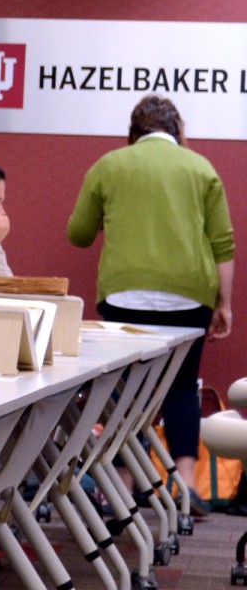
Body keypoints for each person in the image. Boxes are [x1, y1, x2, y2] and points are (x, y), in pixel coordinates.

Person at [69, 94, 233, 497]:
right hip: (189, 296)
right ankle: (186, 483)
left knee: (126, 389)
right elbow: (223, 244)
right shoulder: (201, 168)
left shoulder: (109, 165)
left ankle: (120, 489)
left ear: (133, 133)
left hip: (125, 296)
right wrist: (224, 303)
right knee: (181, 386)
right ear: (178, 131)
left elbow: (79, 234)